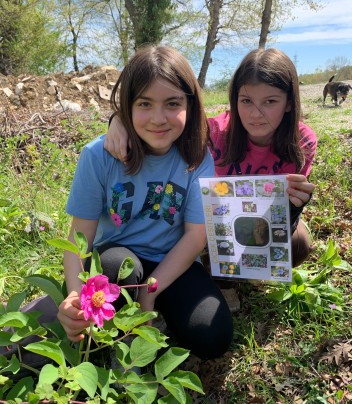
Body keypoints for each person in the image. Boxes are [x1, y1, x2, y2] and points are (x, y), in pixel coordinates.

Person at [57, 45, 233, 360]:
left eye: (172, 103)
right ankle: (120, 341)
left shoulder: (197, 157)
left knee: (214, 337)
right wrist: (74, 294)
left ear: (190, 105)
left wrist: (150, 291)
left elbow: (195, 236)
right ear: (127, 105)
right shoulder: (98, 156)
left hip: (173, 261)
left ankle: (155, 312)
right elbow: (77, 238)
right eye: (144, 104)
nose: (158, 118)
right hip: (117, 260)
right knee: (118, 267)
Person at [105, 48, 317, 267]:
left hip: (261, 220)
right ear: (234, 100)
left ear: (289, 102)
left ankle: (245, 272)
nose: (256, 113)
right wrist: (120, 120)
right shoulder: (212, 132)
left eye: (270, 101)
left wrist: (293, 207)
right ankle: (215, 273)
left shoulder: (302, 143)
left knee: (298, 243)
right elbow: (166, 124)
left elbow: (281, 219)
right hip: (210, 222)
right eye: (246, 101)